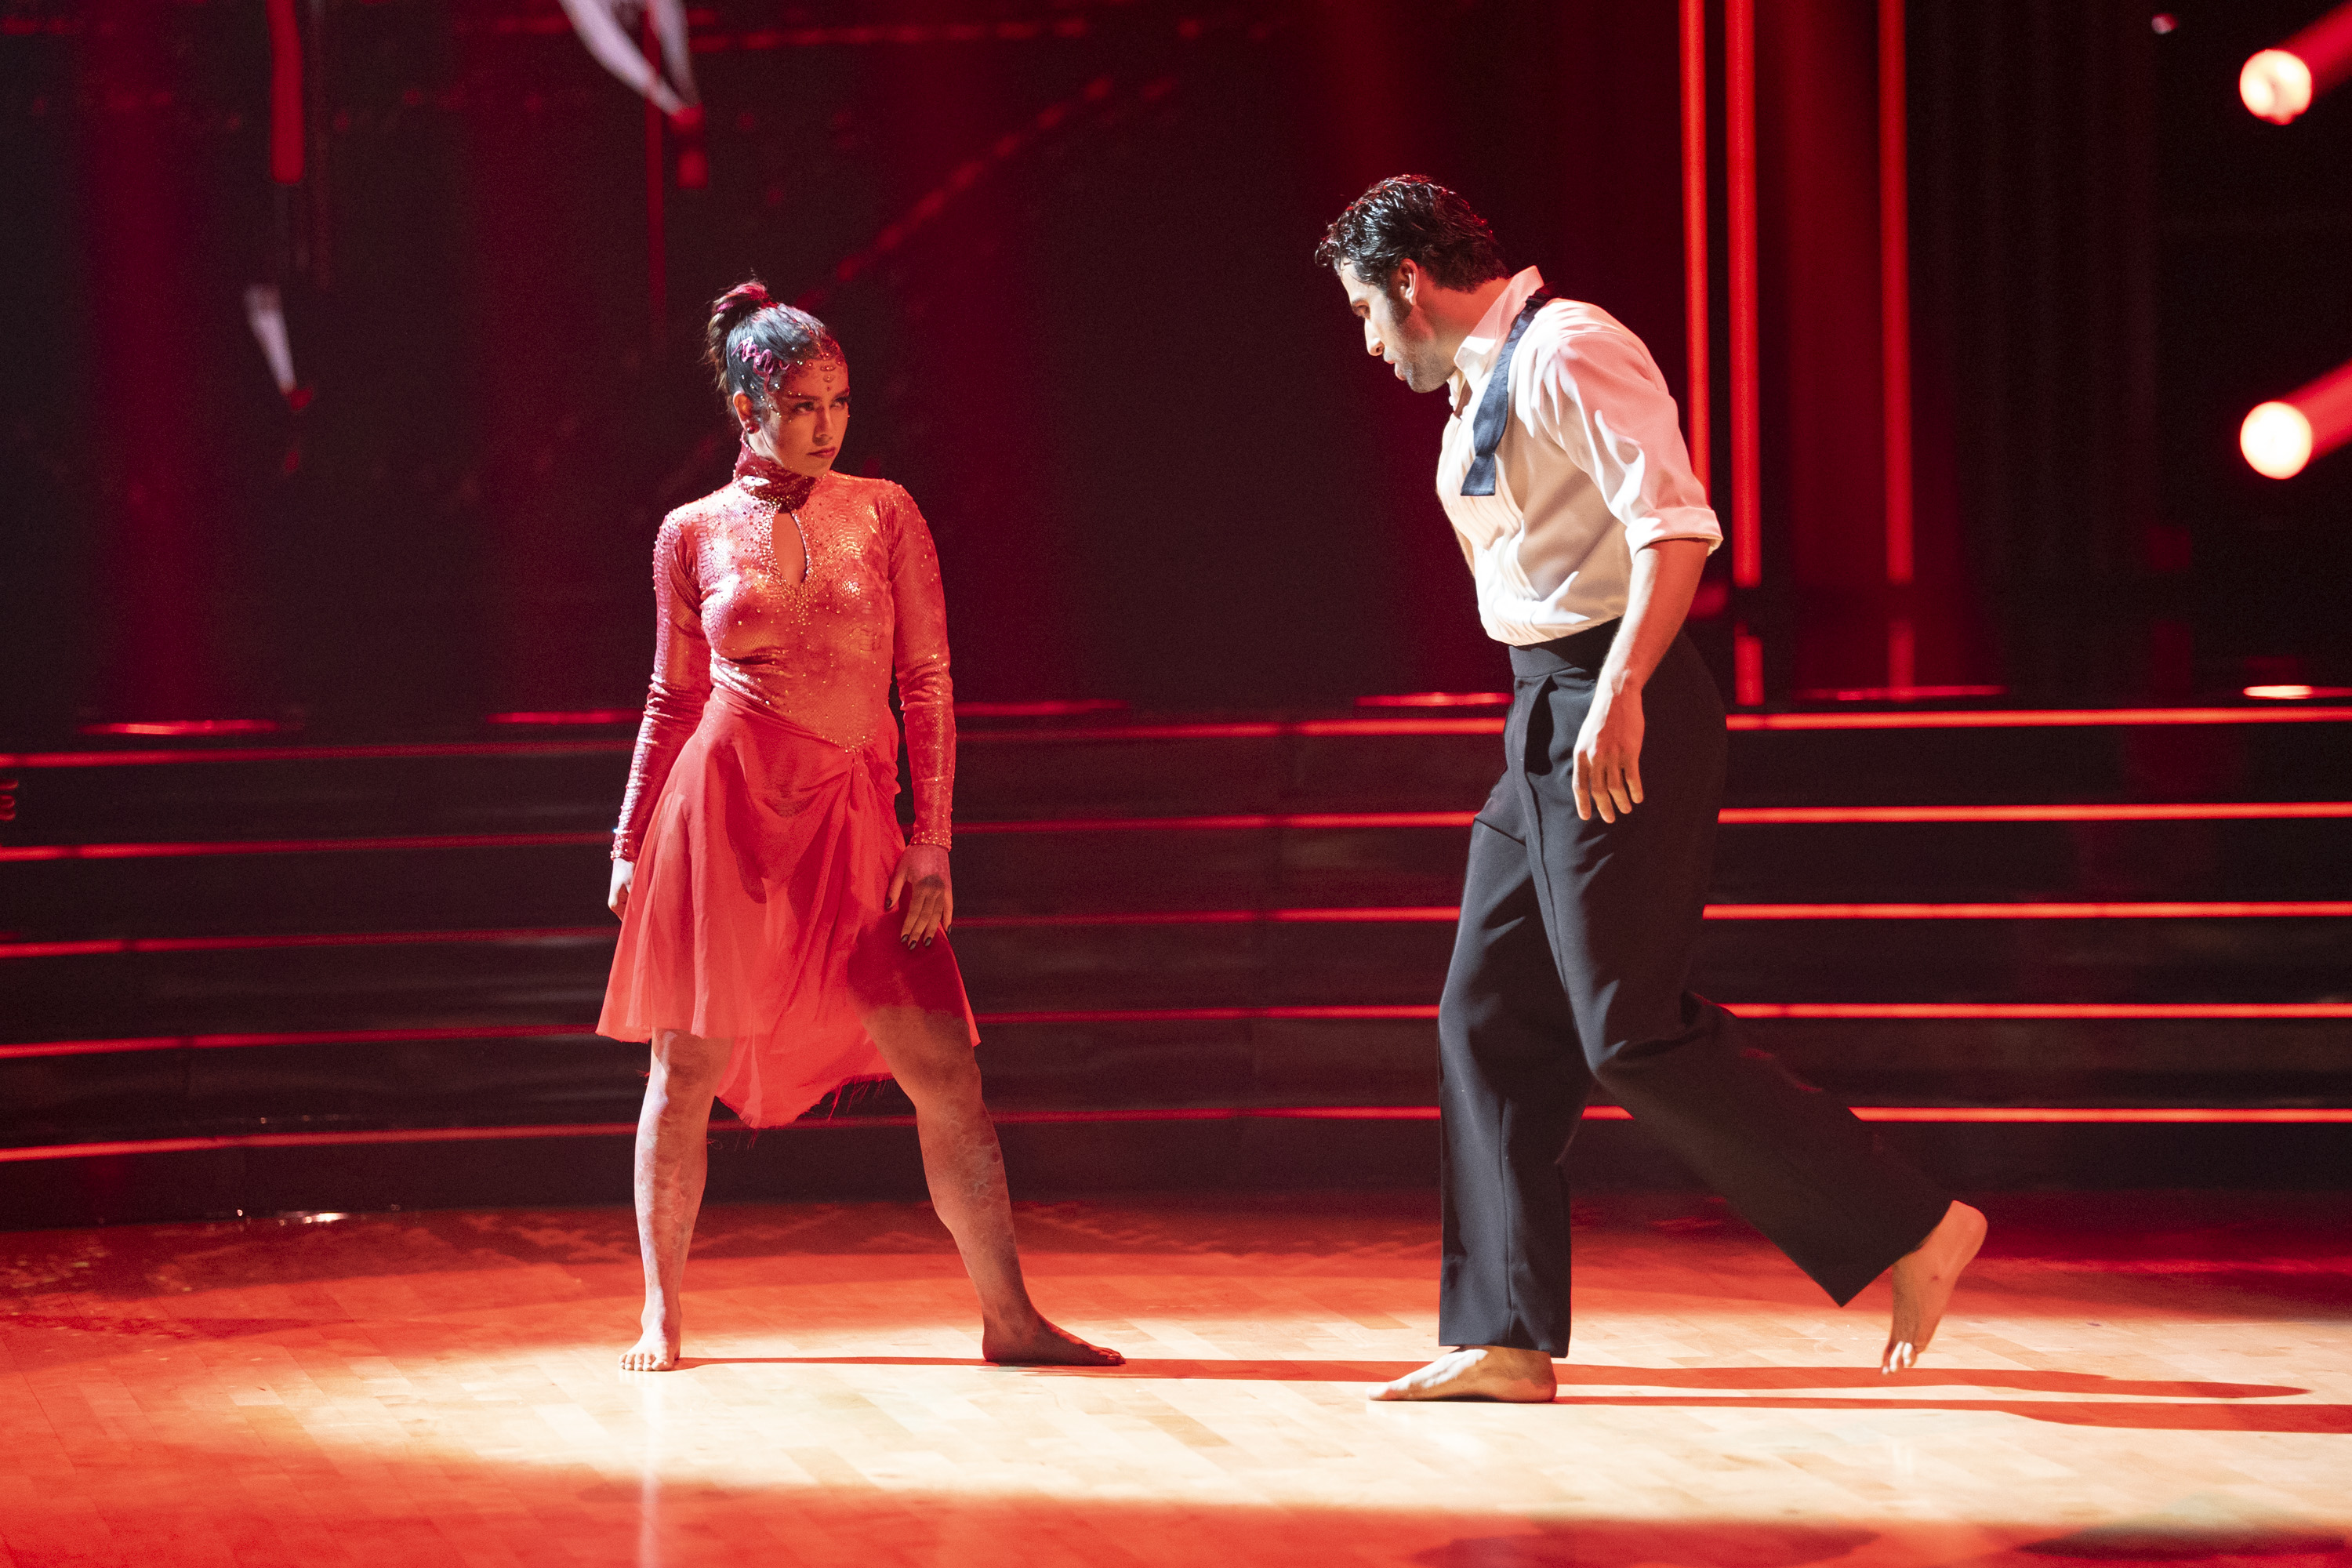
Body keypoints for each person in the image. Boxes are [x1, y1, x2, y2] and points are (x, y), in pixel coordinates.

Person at [1314, 176, 1984, 1403]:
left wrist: (1619, 690)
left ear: (1410, 281)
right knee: (1485, 1014)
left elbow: (1673, 525)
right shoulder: (1483, 382)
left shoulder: (1571, 346)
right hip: (1543, 708)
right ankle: (1505, 1334)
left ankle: (1910, 1221)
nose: (1365, 339)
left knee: (1627, 1028)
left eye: (1365, 308)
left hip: (1620, 696)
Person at [598, 280, 1121, 1374]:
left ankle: (1009, 1315)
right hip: (723, 815)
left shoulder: (884, 511)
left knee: (944, 1068)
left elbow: (926, 680)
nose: (826, 422)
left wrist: (931, 841)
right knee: (683, 1067)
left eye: (838, 399)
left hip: (851, 815)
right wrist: (626, 840)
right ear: (748, 409)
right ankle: (662, 1314)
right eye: (801, 404)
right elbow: (668, 698)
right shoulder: (687, 532)